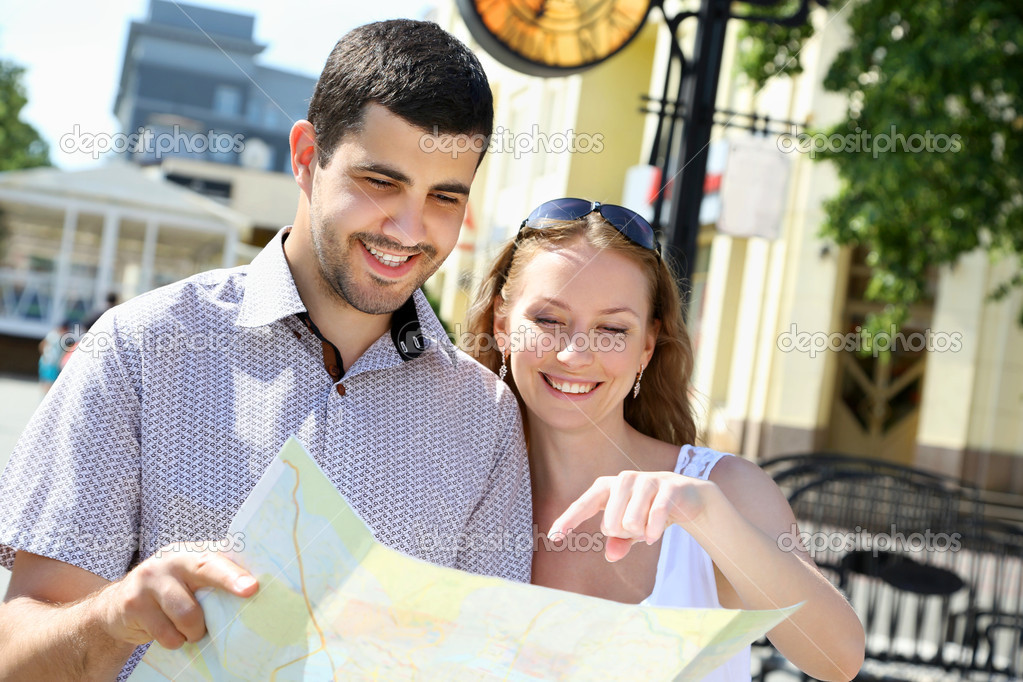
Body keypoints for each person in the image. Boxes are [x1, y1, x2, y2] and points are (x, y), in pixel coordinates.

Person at [0, 20, 531, 681]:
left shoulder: (486, 422)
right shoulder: (138, 351)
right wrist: (116, 616)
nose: (409, 229)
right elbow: (16, 658)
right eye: (380, 182)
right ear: (306, 156)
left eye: (444, 196)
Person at [464, 198, 865, 681]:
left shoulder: (724, 487)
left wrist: (705, 516)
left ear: (646, 348)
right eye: (548, 320)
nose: (574, 353)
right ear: (501, 327)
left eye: (613, 329)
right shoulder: (456, 485)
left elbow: (837, 659)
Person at [37, 319, 70, 393]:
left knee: (46, 381)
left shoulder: (52, 334)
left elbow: (42, 344)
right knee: (50, 383)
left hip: (46, 361)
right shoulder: (62, 337)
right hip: (52, 363)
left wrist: (44, 355)